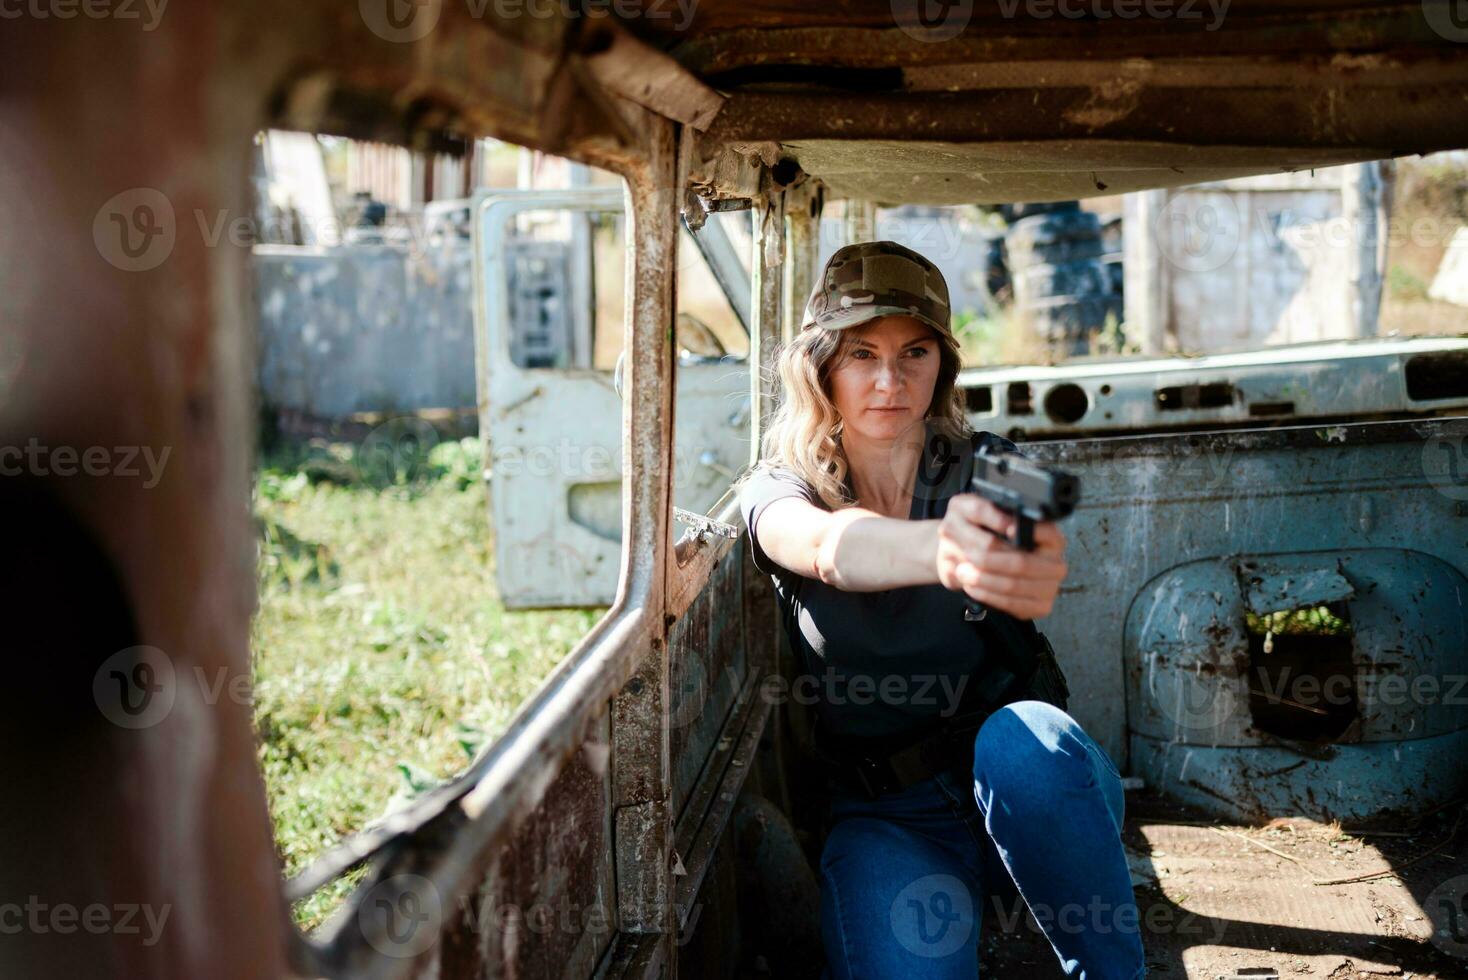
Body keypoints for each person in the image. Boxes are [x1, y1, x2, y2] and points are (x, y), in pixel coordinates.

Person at [735, 241, 1146, 979]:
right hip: (890, 818)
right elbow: (826, 548)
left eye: (914, 353)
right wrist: (941, 549)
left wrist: (1014, 544)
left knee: (1026, 742)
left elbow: (1043, 528)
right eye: (862, 354)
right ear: (820, 367)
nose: (889, 381)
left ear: (942, 366)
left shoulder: (992, 462)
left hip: (1031, 793)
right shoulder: (776, 487)